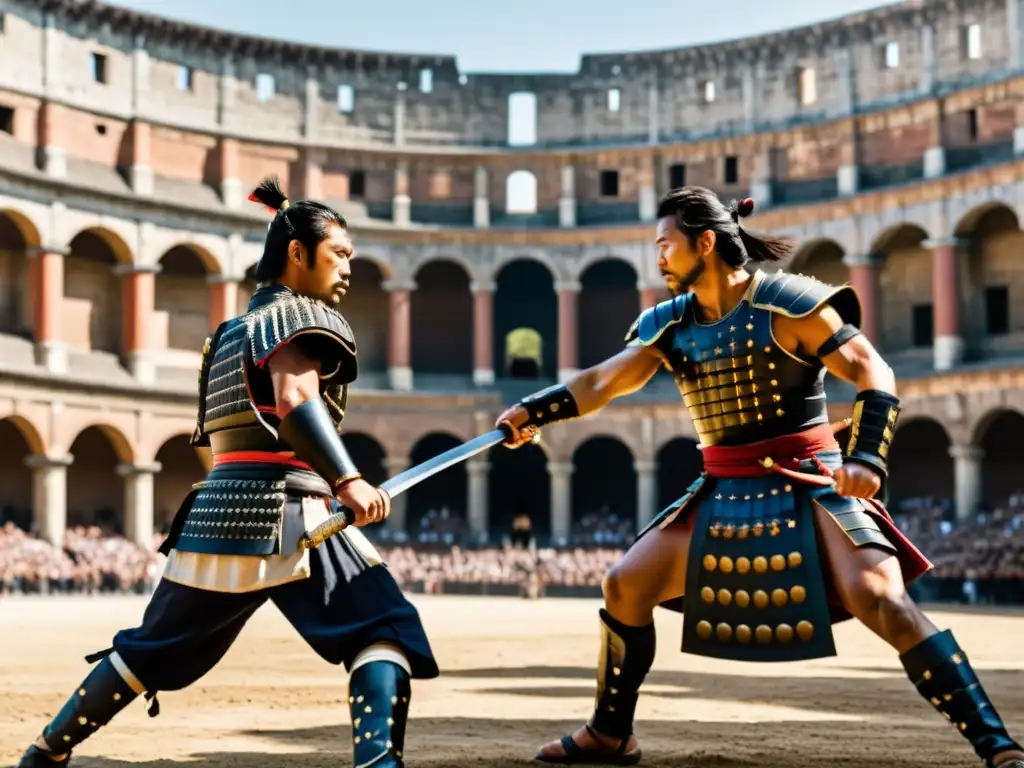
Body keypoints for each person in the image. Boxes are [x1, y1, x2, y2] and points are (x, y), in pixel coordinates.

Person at [496, 187, 1024, 768]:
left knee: (884, 601)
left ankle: (996, 744)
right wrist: (534, 411)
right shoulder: (669, 324)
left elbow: (873, 369)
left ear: (705, 242)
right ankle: (610, 734)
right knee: (625, 584)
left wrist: (867, 457)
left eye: (665, 245)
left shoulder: (789, 303)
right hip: (722, 485)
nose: (659, 258)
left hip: (809, 479)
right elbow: (602, 382)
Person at [17, 177, 438, 768]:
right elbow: (294, 403)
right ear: (298, 253)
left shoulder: (228, 335)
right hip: (294, 511)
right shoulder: (297, 317)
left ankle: (46, 750)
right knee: (383, 628)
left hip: (216, 514)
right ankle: (378, 762)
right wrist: (348, 479)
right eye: (339, 253)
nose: (348, 268)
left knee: (150, 650)